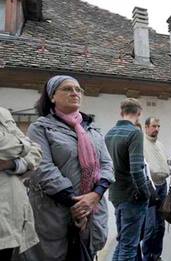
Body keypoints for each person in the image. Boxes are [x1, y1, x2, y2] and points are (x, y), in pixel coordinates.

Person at [25, 75, 115, 260]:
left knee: (87, 253)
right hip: (54, 212)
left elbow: (107, 165)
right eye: (67, 89)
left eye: (78, 89)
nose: (75, 93)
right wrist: (78, 204)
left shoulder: (92, 131)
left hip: (92, 210)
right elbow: (43, 169)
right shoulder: (40, 128)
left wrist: (95, 195)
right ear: (52, 96)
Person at [106, 98, 151, 261]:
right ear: (139, 113)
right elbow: (136, 169)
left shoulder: (109, 133)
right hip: (132, 196)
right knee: (129, 246)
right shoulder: (135, 133)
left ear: (121, 112)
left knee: (123, 242)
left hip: (116, 194)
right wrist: (146, 193)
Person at [0, 107, 41, 259]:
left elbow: (36, 153)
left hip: (8, 220)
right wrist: (24, 146)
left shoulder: (3, 113)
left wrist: (12, 164)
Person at [142, 117, 170, 261]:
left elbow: (165, 163)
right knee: (150, 226)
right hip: (150, 187)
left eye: (158, 126)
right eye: (153, 126)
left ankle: (156, 255)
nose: (156, 129)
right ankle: (147, 257)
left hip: (162, 185)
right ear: (146, 127)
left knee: (161, 225)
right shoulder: (141, 143)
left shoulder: (160, 144)